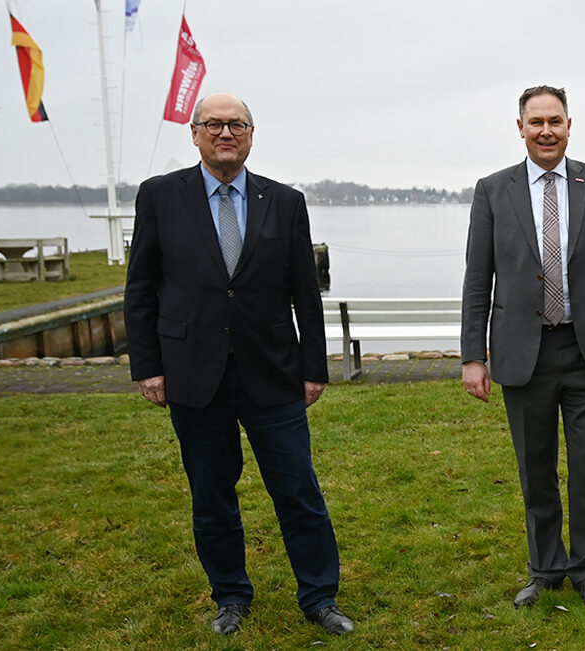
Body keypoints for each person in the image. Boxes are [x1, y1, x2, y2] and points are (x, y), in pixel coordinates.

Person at [124, 92, 355, 636]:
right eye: (214, 125)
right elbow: (141, 290)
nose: (225, 134)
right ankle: (230, 597)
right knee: (212, 497)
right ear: (195, 132)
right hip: (192, 374)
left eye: (237, 125)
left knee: (299, 492)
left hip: (272, 373)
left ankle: (320, 598)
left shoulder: (285, 201)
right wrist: (147, 367)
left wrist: (314, 367)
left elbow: (306, 291)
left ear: (251, 133)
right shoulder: (159, 197)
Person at [460, 85, 585, 610]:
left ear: (568, 125)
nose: (545, 130)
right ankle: (545, 570)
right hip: (523, 354)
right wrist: (474, 355)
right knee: (535, 468)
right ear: (520, 127)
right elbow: (478, 278)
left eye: (554, 121)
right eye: (535, 121)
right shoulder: (494, 190)